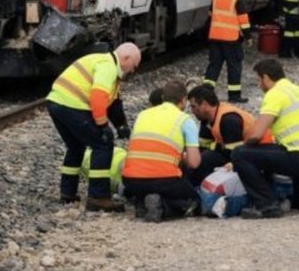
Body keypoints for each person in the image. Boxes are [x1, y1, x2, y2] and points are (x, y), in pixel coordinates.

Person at [231, 59, 299, 220]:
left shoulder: (274, 94)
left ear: (266, 77)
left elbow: (256, 134)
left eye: (259, 80)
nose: (259, 85)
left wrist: (245, 146)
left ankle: (266, 205)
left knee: (240, 154)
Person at [47, 42, 141, 211]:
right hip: (72, 104)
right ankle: (98, 197)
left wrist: (121, 126)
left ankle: (67, 192)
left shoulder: (103, 62)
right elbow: (98, 97)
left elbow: (114, 104)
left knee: (76, 146)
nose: (133, 70)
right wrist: (103, 125)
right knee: (103, 143)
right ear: (126, 58)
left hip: (56, 102)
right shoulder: (108, 67)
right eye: (133, 66)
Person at [122, 79, 201, 223]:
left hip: (130, 180)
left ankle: (141, 202)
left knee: (149, 184)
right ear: (184, 100)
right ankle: (162, 206)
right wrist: (181, 156)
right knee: (194, 201)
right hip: (163, 180)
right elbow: (194, 163)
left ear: (163, 97)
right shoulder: (185, 120)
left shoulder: (143, 115)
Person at [186, 84, 273, 184]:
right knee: (198, 157)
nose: (192, 111)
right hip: (239, 150)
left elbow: (233, 153)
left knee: (207, 158)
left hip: (260, 150)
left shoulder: (228, 119)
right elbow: (202, 147)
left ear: (204, 105)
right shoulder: (206, 119)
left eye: (193, 106)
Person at [204, 0, 251, 103]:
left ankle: (205, 93)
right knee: (234, 67)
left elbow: (210, 17)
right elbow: (244, 22)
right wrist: (248, 37)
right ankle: (234, 95)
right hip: (232, 40)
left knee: (214, 65)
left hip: (215, 38)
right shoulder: (238, 0)